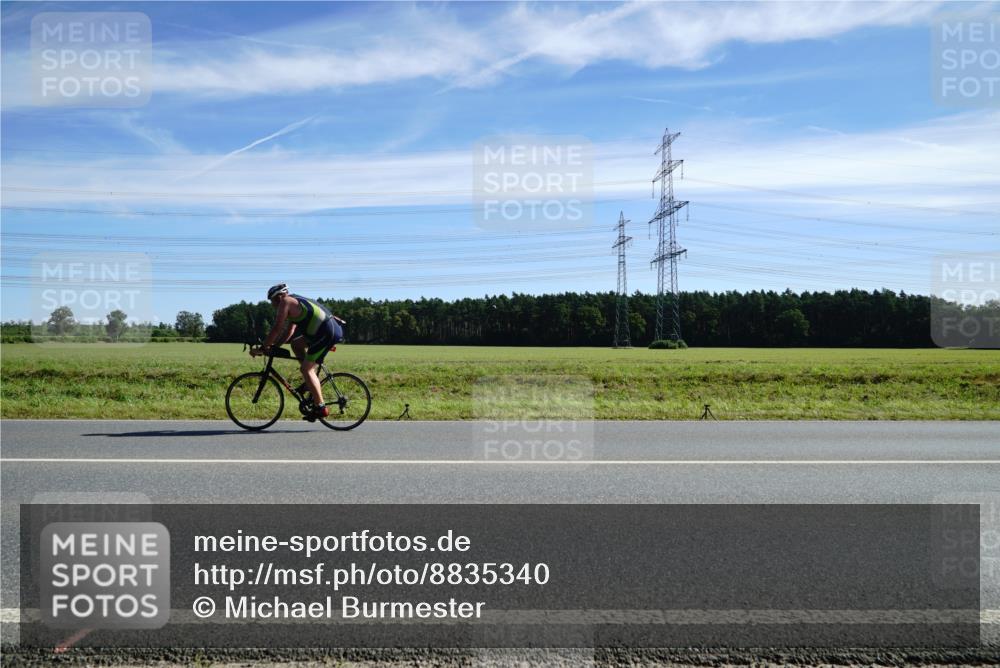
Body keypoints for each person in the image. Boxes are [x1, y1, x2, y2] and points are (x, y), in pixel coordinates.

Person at [253, 284, 344, 421]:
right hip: (321, 332)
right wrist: (274, 347)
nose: (272, 305)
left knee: (306, 369)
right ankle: (309, 381)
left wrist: (263, 347)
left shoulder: (286, 301)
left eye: (272, 301)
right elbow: (289, 332)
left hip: (326, 333)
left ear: (279, 297)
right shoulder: (294, 304)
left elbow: (277, 328)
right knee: (296, 345)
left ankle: (321, 407)